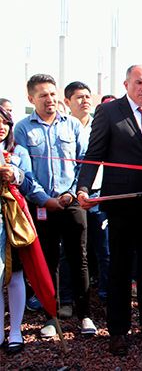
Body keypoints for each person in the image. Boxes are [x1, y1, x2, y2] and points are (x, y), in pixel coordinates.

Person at [76, 65, 142, 356]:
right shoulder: (108, 112)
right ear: (126, 83)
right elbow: (94, 155)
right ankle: (118, 330)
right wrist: (82, 189)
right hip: (120, 203)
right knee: (119, 267)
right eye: (139, 82)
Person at [14, 74, 96, 338]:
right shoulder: (23, 128)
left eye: (51, 94)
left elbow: (84, 161)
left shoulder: (72, 125)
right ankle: (52, 315)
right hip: (42, 205)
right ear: (31, 99)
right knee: (48, 261)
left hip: (72, 202)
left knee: (79, 259)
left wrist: (74, 193)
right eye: (42, 95)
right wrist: (43, 199)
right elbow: (24, 170)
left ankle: (85, 314)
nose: (49, 100)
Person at [0, 105, 42, 355]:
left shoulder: (19, 152)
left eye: (4, 121)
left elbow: (29, 183)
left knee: (15, 274)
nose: (1, 127)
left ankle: (16, 329)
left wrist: (14, 174)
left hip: (12, 220)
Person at [64, 81, 110, 304]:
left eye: (87, 96)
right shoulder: (63, 127)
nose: (85, 101)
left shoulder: (101, 123)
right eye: (79, 97)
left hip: (100, 193)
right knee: (73, 250)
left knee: (105, 249)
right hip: (72, 196)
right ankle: (69, 297)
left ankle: (106, 296)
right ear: (67, 102)